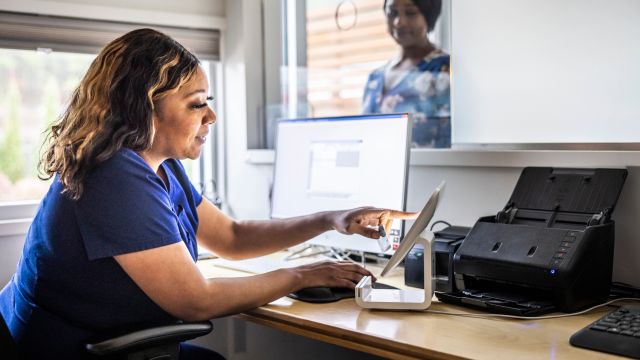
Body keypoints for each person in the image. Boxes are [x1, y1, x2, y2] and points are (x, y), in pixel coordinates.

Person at [0, 28, 416, 359]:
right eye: (196, 104)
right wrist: (304, 275)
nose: (211, 116)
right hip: (65, 350)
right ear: (144, 108)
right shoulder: (113, 174)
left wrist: (330, 219)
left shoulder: (161, 166)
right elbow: (196, 302)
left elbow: (232, 238)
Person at [362, 0, 450, 148]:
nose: (398, 22)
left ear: (428, 16)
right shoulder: (375, 78)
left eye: (410, 13)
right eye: (392, 13)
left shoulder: (444, 69)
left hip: (430, 169)